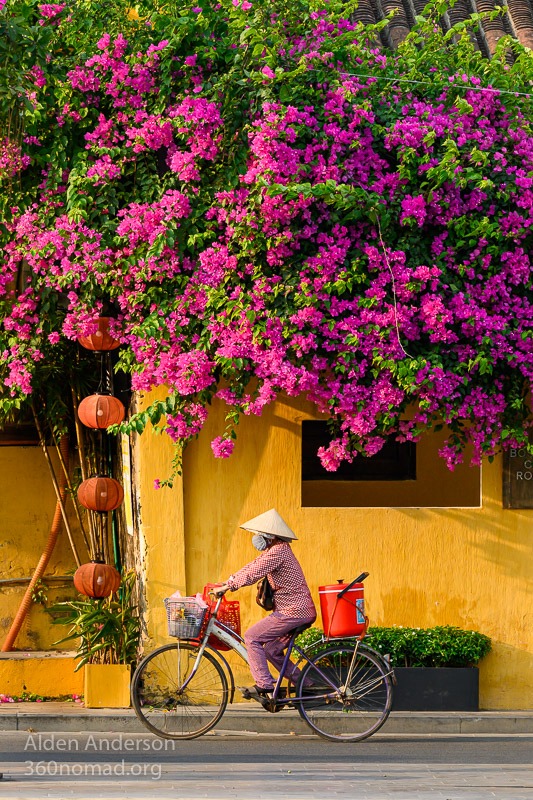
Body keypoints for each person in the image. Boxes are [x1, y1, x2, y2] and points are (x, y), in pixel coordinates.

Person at [216, 508, 316, 700]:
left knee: (252, 636)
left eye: (258, 535)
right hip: (295, 610)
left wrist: (229, 586)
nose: (256, 538)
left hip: (294, 611)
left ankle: (265, 685)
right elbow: (251, 566)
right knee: (271, 650)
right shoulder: (275, 550)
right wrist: (227, 582)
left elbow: (254, 574)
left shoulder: (278, 552)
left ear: (269, 536)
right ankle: (306, 683)